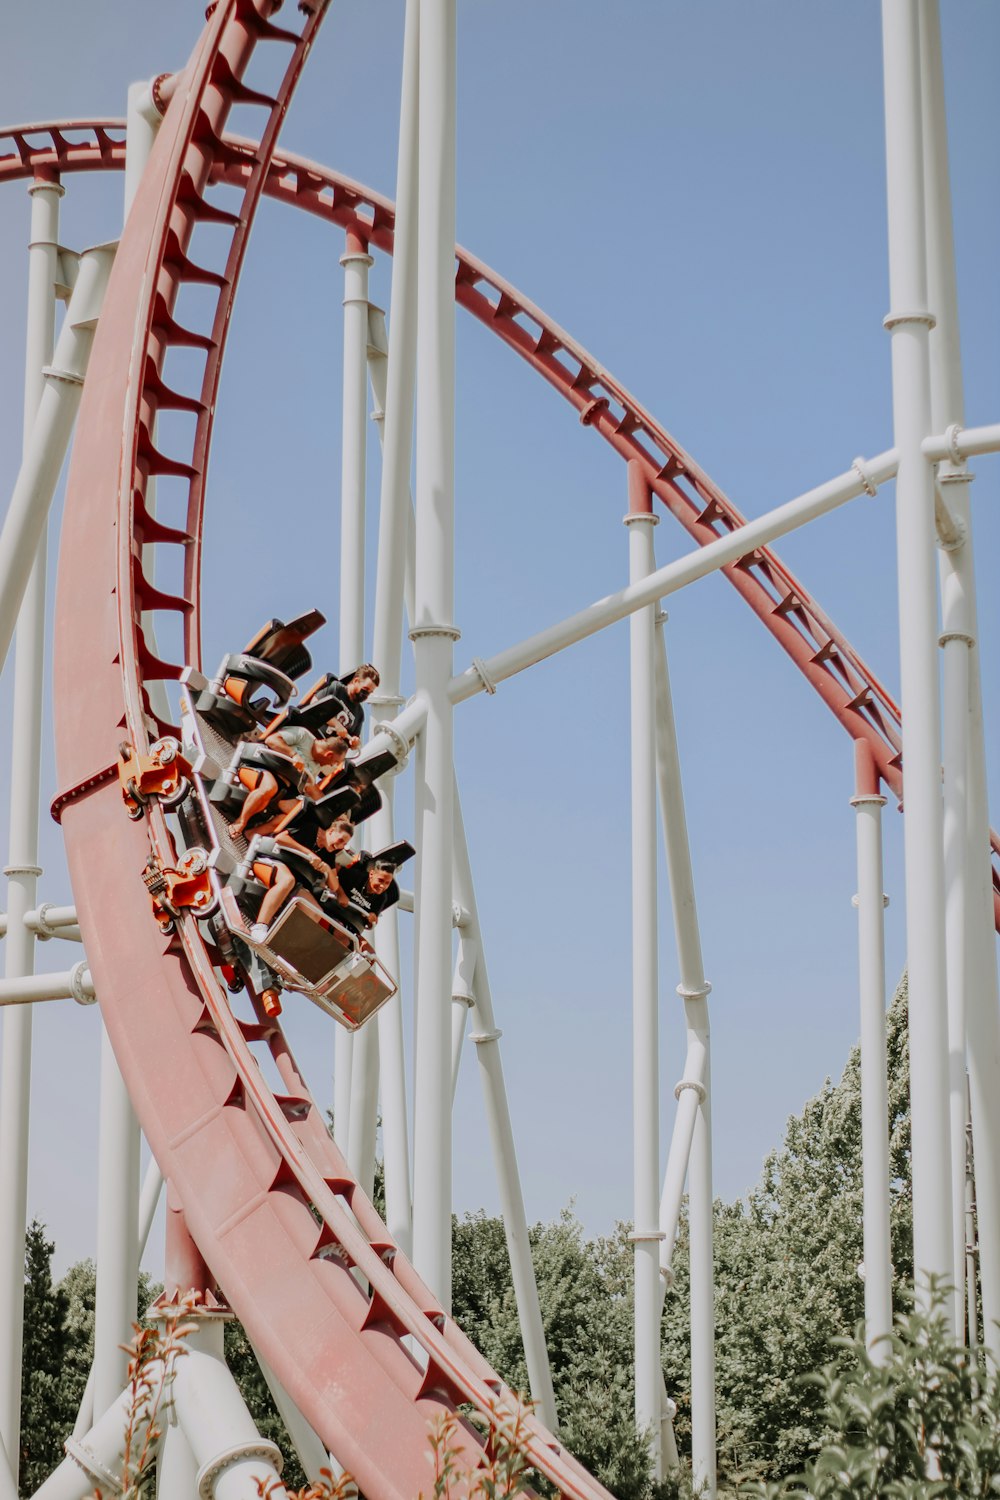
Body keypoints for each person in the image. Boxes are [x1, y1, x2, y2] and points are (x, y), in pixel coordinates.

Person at [228, 721, 353, 840]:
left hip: (284, 789)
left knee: (296, 815)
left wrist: (334, 814)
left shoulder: (316, 767)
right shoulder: (303, 735)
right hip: (262, 766)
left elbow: (311, 788)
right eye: (335, 762)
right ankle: (241, 821)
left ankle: (251, 834)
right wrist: (293, 755)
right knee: (270, 788)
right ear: (329, 755)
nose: (332, 766)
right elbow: (272, 740)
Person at [247, 815, 359, 941]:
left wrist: (327, 868)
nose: (340, 846)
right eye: (340, 840)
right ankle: (260, 926)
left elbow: (334, 886)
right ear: (331, 831)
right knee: (287, 880)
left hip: (293, 880)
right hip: (272, 860)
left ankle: (279, 940)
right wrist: (309, 854)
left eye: (344, 844)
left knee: (315, 912)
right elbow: (281, 838)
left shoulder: (328, 853)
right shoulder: (311, 829)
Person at [335, 843, 413, 942]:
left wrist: (372, 918)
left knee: (370, 953)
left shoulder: (382, 897)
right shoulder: (357, 877)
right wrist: (340, 893)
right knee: (343, 938)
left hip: (351, 925)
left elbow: (373, 918)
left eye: (387, 883)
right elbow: (334, 870)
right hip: (336, 913)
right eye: (380, 880)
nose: (382, 886)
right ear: (371, 874)